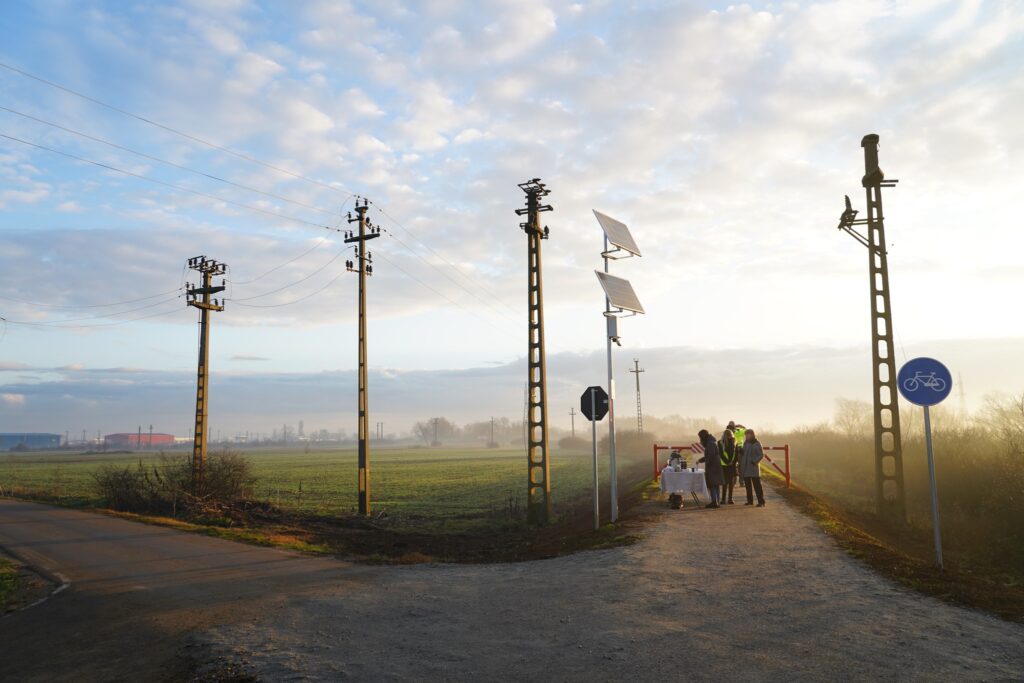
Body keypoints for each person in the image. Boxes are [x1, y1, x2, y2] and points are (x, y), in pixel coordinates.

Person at [696, 429, 723, 508]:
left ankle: (714, 502)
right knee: (716, 485)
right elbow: (709, 455)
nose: (700, 439)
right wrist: (700, 460)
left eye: (700, 437)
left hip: (713, 467)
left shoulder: (710, 444)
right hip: (716, 465)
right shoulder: (712, 442)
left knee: (712, 485)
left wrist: (708, 465)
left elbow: (710, 456)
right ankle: (717, 501)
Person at [739, 428, 765, 507]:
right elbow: (744, 453)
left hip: (753, 468)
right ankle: (750, 501)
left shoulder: (757, 443)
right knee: (748, 486)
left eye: (748, 434)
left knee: (757, 486)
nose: (746, 436)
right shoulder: (745, 443)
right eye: (746, 435)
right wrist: (741, 451)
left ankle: (761, 502)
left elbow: (761, 455)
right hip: (746, 468)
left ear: (752, 435)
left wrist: (754, 461)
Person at [718, 430, 738, 504]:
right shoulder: (720, 443)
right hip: (724, 465)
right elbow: (721, 454)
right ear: (725, 435)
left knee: (731, 483)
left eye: (730, 435)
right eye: (728, 435)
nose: (729, 436)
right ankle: (723, 499)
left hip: (732, 465)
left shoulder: (734, 442)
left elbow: (736, 454)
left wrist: (734, 462)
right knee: (725, 483)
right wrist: (728, 462)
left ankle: (730, 499)